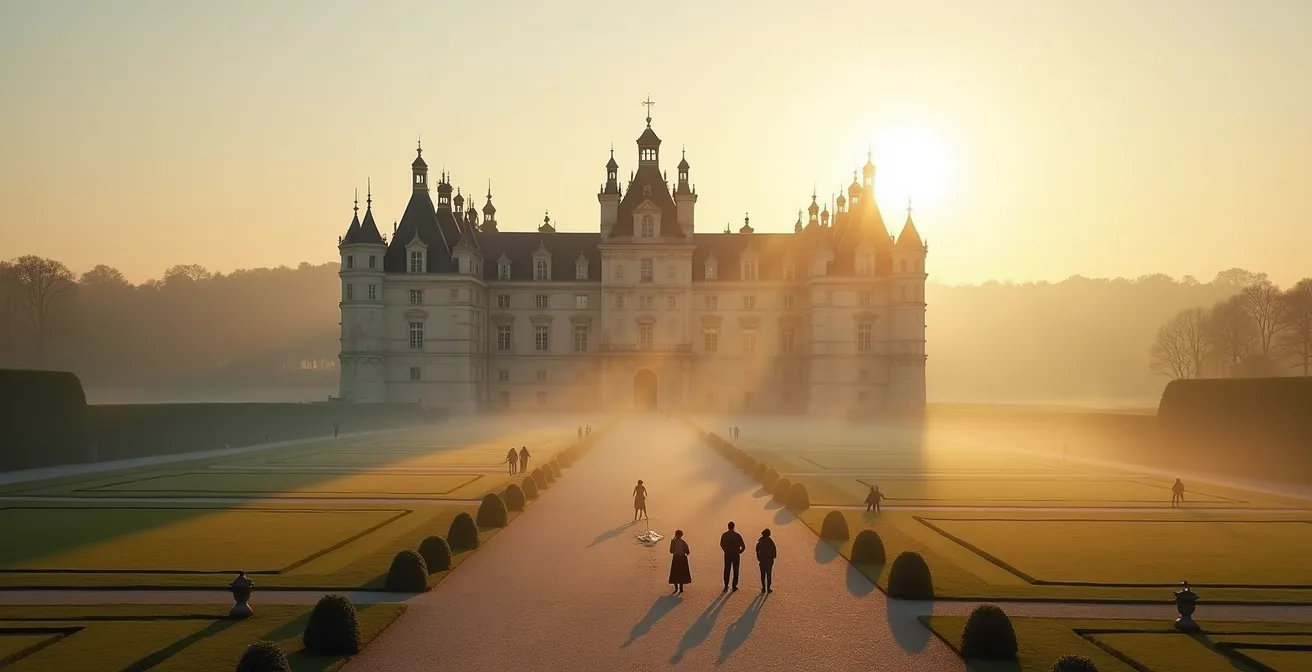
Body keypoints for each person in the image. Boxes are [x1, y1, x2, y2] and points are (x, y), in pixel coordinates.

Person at [720, 521, 746, 592]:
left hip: (728, 554)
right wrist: (739, 552)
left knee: (727, 570)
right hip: (735, 555)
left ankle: (726, 585)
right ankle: (734, 586)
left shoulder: (724, 535)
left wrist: (725, 550)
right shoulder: (737, 535)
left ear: (728, 526)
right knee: (736, 570)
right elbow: (743, 546)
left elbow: (721, 544)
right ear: (734, 526)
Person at [756, 528, 777, 593]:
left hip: (762, 560)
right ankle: (768, 588)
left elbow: (757, 550)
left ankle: (763, 587)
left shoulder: (760, 541)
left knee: (762, 574)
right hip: (769, 560)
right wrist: (773, 557)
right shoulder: (771, 542)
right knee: (769, 574)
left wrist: (758, 558)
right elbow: (774, 551)